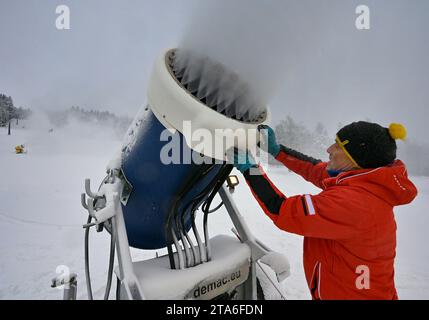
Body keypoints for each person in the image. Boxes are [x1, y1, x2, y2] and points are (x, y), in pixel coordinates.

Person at [227, 121, 417, 300]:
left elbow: (284, 211)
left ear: (356, 158)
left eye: (338, 145)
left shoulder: (353, 204)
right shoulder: (365, 182)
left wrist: (251, 169)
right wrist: (277, 151)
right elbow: (316, 170)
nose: (329, 149)